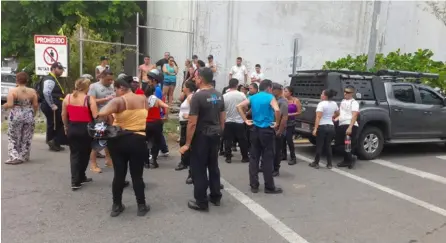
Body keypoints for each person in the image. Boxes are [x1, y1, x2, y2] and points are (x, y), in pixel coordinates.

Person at [97, 77, 150, 217]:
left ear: (121, 88)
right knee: (137, 176)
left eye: (116, 90)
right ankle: (142, 206)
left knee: (119, 174)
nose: (115, 93)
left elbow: (100, 114)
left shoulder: (118, 101)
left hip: (119, 140)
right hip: (138, 139)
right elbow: (145, 115)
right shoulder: (143, 98)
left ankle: (116, 206)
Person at [179, 67, 225, 211]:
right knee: (213, 166)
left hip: (202, 137)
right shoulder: (219, 95)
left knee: (198, 168)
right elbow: (222, 117)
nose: (195, 79)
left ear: (201, 79)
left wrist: (187, 143)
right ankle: (216, 196)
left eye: (196, 77)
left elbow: (192, 123)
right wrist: (220, 132)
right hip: (215, 134)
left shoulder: (197, 97)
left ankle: (201, 201)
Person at [236, 79, 282, 194]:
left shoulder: (253, 97)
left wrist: (245, 120)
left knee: (254, 158)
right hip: (266, 130)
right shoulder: (270, 97)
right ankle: (269, 186)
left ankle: (254, 185)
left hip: (255, 130)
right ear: (269, 88)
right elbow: (277, 110)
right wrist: (277, 123)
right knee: (267, 159)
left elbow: (239, 106)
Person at [61, 77, 97, 190]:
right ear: (87, 87)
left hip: (72, 127)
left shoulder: (68, 97)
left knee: (75, 154)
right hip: (86, 129)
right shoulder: (89, 99)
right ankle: (80, 176)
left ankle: (75, 180)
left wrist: (66, 126)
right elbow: (96, 115)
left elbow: (63, 115)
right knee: (85, 153)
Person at [2, 72, 38, 164]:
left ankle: (14, 156)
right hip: (28, 114)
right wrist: (33, 113)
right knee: (26, 136)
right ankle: (24, 155)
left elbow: (10, 104)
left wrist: (4, 106)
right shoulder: (32, 91)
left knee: (13, 136)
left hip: (16, 115)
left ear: (17, 80)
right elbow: (35, 105)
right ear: (27, 80)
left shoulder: (13, 91)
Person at [87, 70, 115, 173]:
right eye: (108, 79)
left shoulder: (111, 86)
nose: (111, 81)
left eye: (112, 79)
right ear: (102, 77)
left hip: (111, 115)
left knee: (110, 138)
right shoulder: (94, 87)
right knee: (98, 139)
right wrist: (105, 99)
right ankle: (93, 163)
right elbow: (91, 101)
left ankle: (108, 159)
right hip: (99, 116)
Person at [144, 73, 170, 169]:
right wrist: (165, 116)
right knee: (156, 141)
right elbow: (166, 106)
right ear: (153, 92)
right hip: (156, 122)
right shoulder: (156, 99)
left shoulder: (143, 100)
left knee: (145, 141)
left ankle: (145, 161)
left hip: (146, 122)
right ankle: (153, 161)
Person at [309, 89, 339, 169]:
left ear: (325, 96)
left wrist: (315, 128)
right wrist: (333, 117)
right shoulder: (334, 103)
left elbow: (318, 117)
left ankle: (316, 162)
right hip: (331, 127)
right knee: (328, 145)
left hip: (322, 126)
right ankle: (329, 164)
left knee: (319, 145)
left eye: (322, 94)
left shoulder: (321, 104)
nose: (321, 95)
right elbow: (337, 113)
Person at [40, 62, 67, 151]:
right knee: (58, 124)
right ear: (54, 68)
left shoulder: (53, 78)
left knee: (53, 124)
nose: (62, 71)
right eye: (60, 69)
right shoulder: (50, 79)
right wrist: (52, 105)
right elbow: (46, 92)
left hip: (50, 104)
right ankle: (53, 141)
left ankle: (54, 143)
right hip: (51, 105)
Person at [223, 78, 249, 163]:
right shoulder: (241, 95)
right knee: (242, 140)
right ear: (237, 85)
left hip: (228, 120)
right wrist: (244, 113)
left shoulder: (224, 96)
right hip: (239, 121)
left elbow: (222, 109)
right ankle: (245, 157)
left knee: (228, 140)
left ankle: (228, 157)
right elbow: (246, 107)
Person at [175, 80, 197, 185]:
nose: (182, 88)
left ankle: (186, 163)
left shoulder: (191, 97)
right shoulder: (187, 96)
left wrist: (188, 116)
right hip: (184, 123)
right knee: (183, 143)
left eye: (184, 87)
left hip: (187, 123)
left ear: (188, 88)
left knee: (186, 144)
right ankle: (184, 162)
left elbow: (195, 111)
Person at [334, 86, 359, 169]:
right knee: (338, 145)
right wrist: (335, 118)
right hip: (341, 124)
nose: (345, 93)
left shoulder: (354, 102)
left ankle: (349, 158)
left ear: (352, 94)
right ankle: (348, 159)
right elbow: (342, 113)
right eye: (345, 92)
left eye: (348, 92)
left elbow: (355, 115)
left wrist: (350, 127)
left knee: (347, 144)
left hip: (349, 125)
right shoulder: (343, 101)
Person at [271, 83, 288, 177]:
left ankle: (276, 168)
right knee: (271, 149)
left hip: (278, 130)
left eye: (273, 89)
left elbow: (284, 118)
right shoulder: (275, 100)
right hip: (272, 128)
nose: (271, 91)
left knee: (277, 151)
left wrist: (280, 131)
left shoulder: (283, 102)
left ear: (278, 90)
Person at [282, 86, 301, 165]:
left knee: (289, 139)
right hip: (283, 122)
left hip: (291, 122)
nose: (284, 92)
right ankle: (283, 155)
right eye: (284, 91)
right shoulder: (282, 100)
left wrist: (290, 114)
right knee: (282, 139)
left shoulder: (295, 100)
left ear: (290, 92)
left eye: (286, 91)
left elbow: (299, 112)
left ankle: (293, 157)